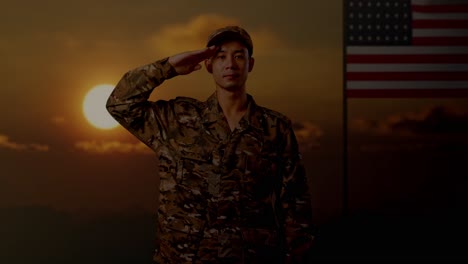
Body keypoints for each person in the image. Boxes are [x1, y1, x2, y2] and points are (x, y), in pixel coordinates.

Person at [106, 26, 314, 263]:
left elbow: (296, 208)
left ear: (250, 64)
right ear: (208, 64)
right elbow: (119, 104)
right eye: (221, 56)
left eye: (238, 56)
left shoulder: (275, 128)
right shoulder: (177, 119)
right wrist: (170, 67)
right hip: (182, 258)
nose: (230, 64)